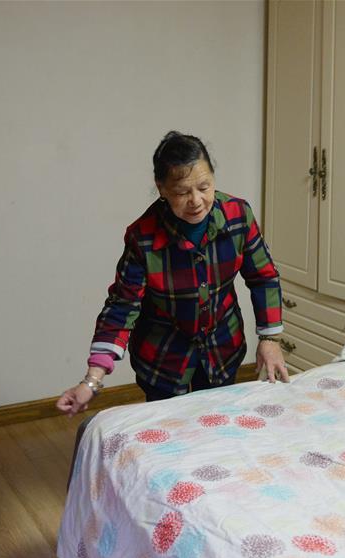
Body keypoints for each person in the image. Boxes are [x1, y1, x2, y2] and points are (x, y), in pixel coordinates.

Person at [57, 131, 288, 415]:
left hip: (222, 349)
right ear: (162, 189)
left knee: (216, 422)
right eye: (181, 192)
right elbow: (122, 306)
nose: (196, 200)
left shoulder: (238, 216)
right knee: (169, 428)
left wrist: (269, 339)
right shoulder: (143, 236)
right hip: (163, 359)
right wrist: (92, 381)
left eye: (204, 187)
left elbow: (263, 277)